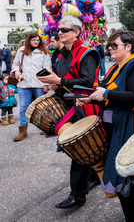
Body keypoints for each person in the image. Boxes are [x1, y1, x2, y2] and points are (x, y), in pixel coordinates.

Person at [77, 30, 134, 221]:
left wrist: (106, 94)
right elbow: (110, 95)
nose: (110, 49)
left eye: (114, 45)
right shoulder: (115, 67)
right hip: (121, 122)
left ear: (128, 47)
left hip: (133, 122)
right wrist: (91, 98)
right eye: (109, 46)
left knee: (127, 175)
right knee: (131, 174)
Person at [37, 16, 100, 209]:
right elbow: (62, 79)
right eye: (59, 30)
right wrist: (52, 86)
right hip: (67, 106)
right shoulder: (60, 54)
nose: (60, 33)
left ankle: (77, 194)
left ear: (76, 32)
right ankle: (92, 177)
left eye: (64, 30)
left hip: (84, 106)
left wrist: (60, 82)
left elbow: (88, 82)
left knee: (77, 149)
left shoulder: (87, 54)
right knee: (82, 148)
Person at [11, 32, 51, 141]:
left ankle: (45, 126)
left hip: (39, 83)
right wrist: (16, 72)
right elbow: (15, 64)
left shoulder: (44, 52)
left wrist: (46, 84)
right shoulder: (21, 51)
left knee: (41, 106)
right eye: (33, 40)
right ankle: (23, 131)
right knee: (24, 106)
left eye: (37, 40)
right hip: (24, 83)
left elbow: (47, 69)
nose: (36, 42)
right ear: (29, 40)